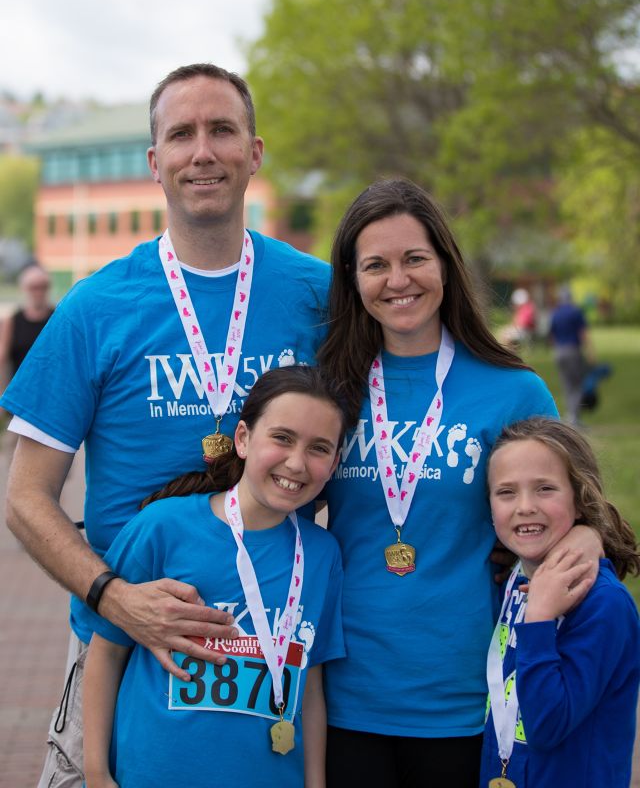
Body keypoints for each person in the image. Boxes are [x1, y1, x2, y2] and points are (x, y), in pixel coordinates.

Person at [0, 63, 331, 787]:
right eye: (181, 134)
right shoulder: (95, 306)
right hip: (122, 644)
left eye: (222, 130)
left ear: (255, 152)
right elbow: (24, 500)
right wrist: (117, 599)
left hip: (277, 633)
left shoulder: (319, 294)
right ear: (155, 163)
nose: (202, 151)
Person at [315, 178, 602, 788]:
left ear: (446, 263)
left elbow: (570, 507)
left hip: (470, 694)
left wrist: (588, 537)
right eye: (376, 265)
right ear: (353, 279)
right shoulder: (331, 387)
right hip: (346, 692)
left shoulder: (514, 390)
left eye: (415, 258)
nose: (398, 280)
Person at [83, 366, 346, 788]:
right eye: (282, 438)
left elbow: (310, 682)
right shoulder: (163, 528)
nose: (296, 463)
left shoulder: (321, 554)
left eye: (319, 448)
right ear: (243, 438)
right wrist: (96, 773)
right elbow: (106, 652)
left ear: (334, 463)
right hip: (153, 775)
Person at [482, 417, 640, 787]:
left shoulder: (604, 604)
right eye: (506, 492)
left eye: (545, 489)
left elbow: (547, 726)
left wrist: (538, 619)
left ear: (581, 500)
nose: (524, 506)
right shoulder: (517, 577)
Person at [0, 263, 54, 392]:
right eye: (34, 287)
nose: (39, 292)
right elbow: (3, 360)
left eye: (43, 287)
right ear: (24, 288)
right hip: (19, 395)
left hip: (50, 394)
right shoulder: (12, 321)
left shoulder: (56, 319)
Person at [549, 284, 591, 425]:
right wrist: (590, 352)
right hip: (573, 350)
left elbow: (552, 335)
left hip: (559, 352)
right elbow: (583, 333)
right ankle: (575, 417)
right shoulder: (576, 312)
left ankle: (571, 415)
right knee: (577, 384)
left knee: (566, 384)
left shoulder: (556, 313)